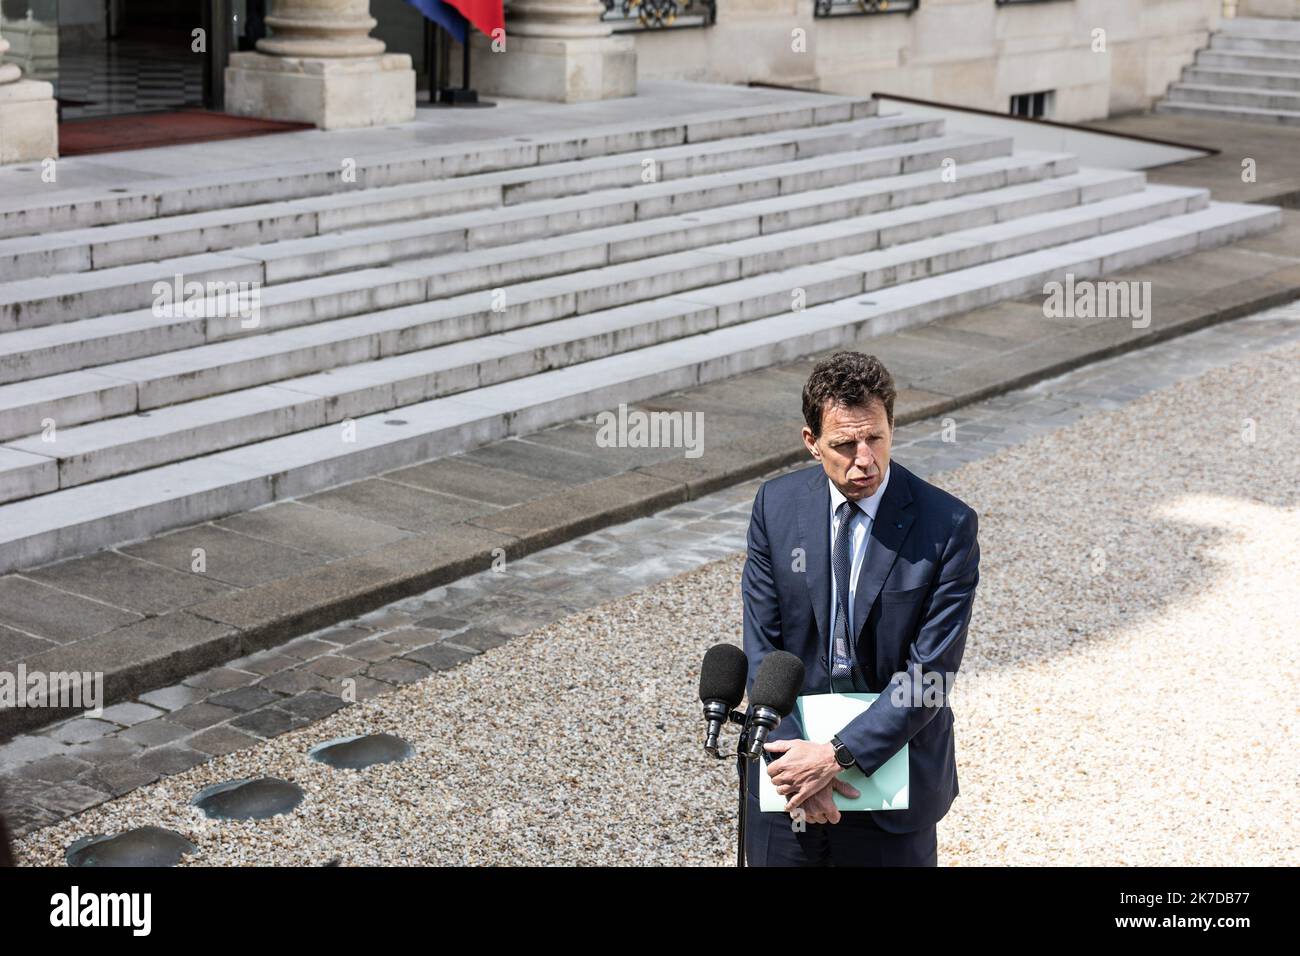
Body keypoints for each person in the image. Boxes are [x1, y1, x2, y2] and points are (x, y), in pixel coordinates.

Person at [740, 350, 980, 866]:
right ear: (811, 442)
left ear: (892, 425)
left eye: (875, 437)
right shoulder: (774, 507)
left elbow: (930, 674)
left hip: (894, 786)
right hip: (789, 788)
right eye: (844, 444)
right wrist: (795, 769)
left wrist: (834, 758)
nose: (864, 458)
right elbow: (764, 651)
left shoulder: (947, 526)